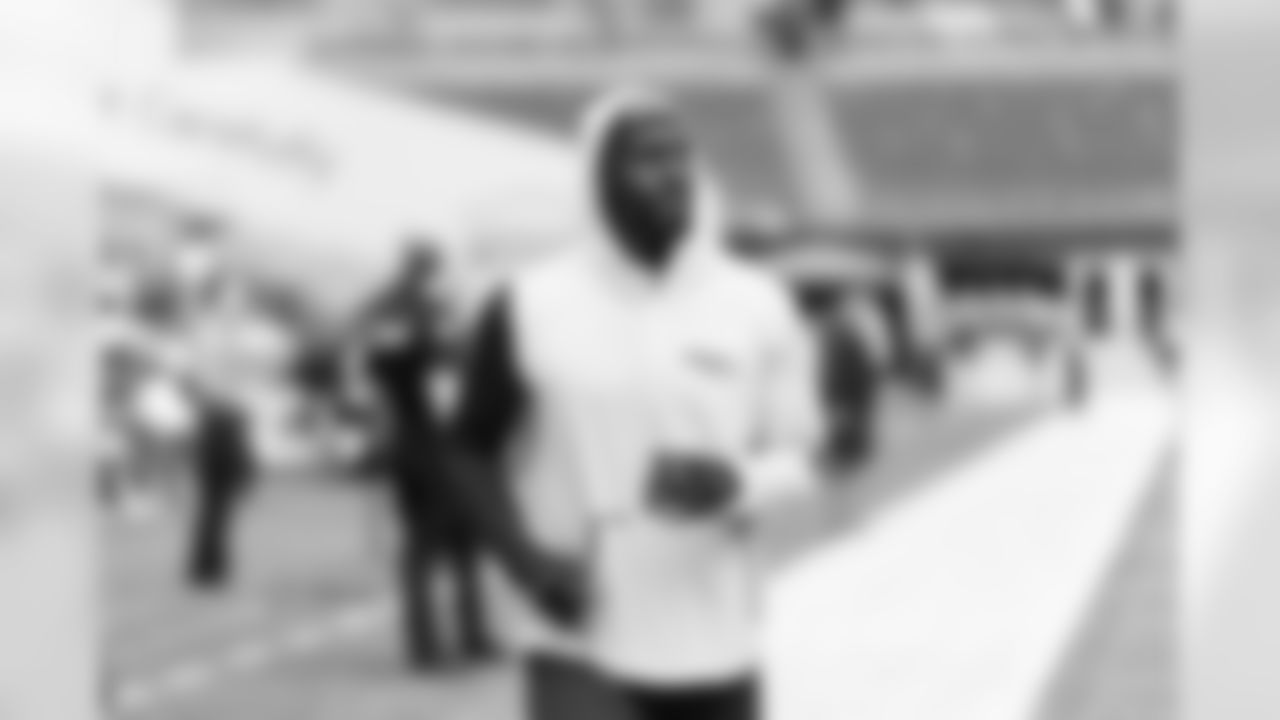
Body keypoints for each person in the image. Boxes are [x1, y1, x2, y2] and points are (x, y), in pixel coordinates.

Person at [446, 89, 824, 720]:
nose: (674, 175)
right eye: (648, 158)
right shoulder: (527, 306)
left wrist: (737, 483)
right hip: (578, 639)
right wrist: (528, 565)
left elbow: (803, 454)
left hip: (719, 640)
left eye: (682, 156)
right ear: (597, 178)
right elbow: (466, 449)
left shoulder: (755, 302)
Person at [352, 239, 493, 669]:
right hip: (431, 445)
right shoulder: (422, 316)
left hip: (414, 443)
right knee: (438, 544)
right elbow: (439, 365)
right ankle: (438, 644)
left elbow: (377, 363)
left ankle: (453, 639)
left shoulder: (389, 311)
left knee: (443, 544)